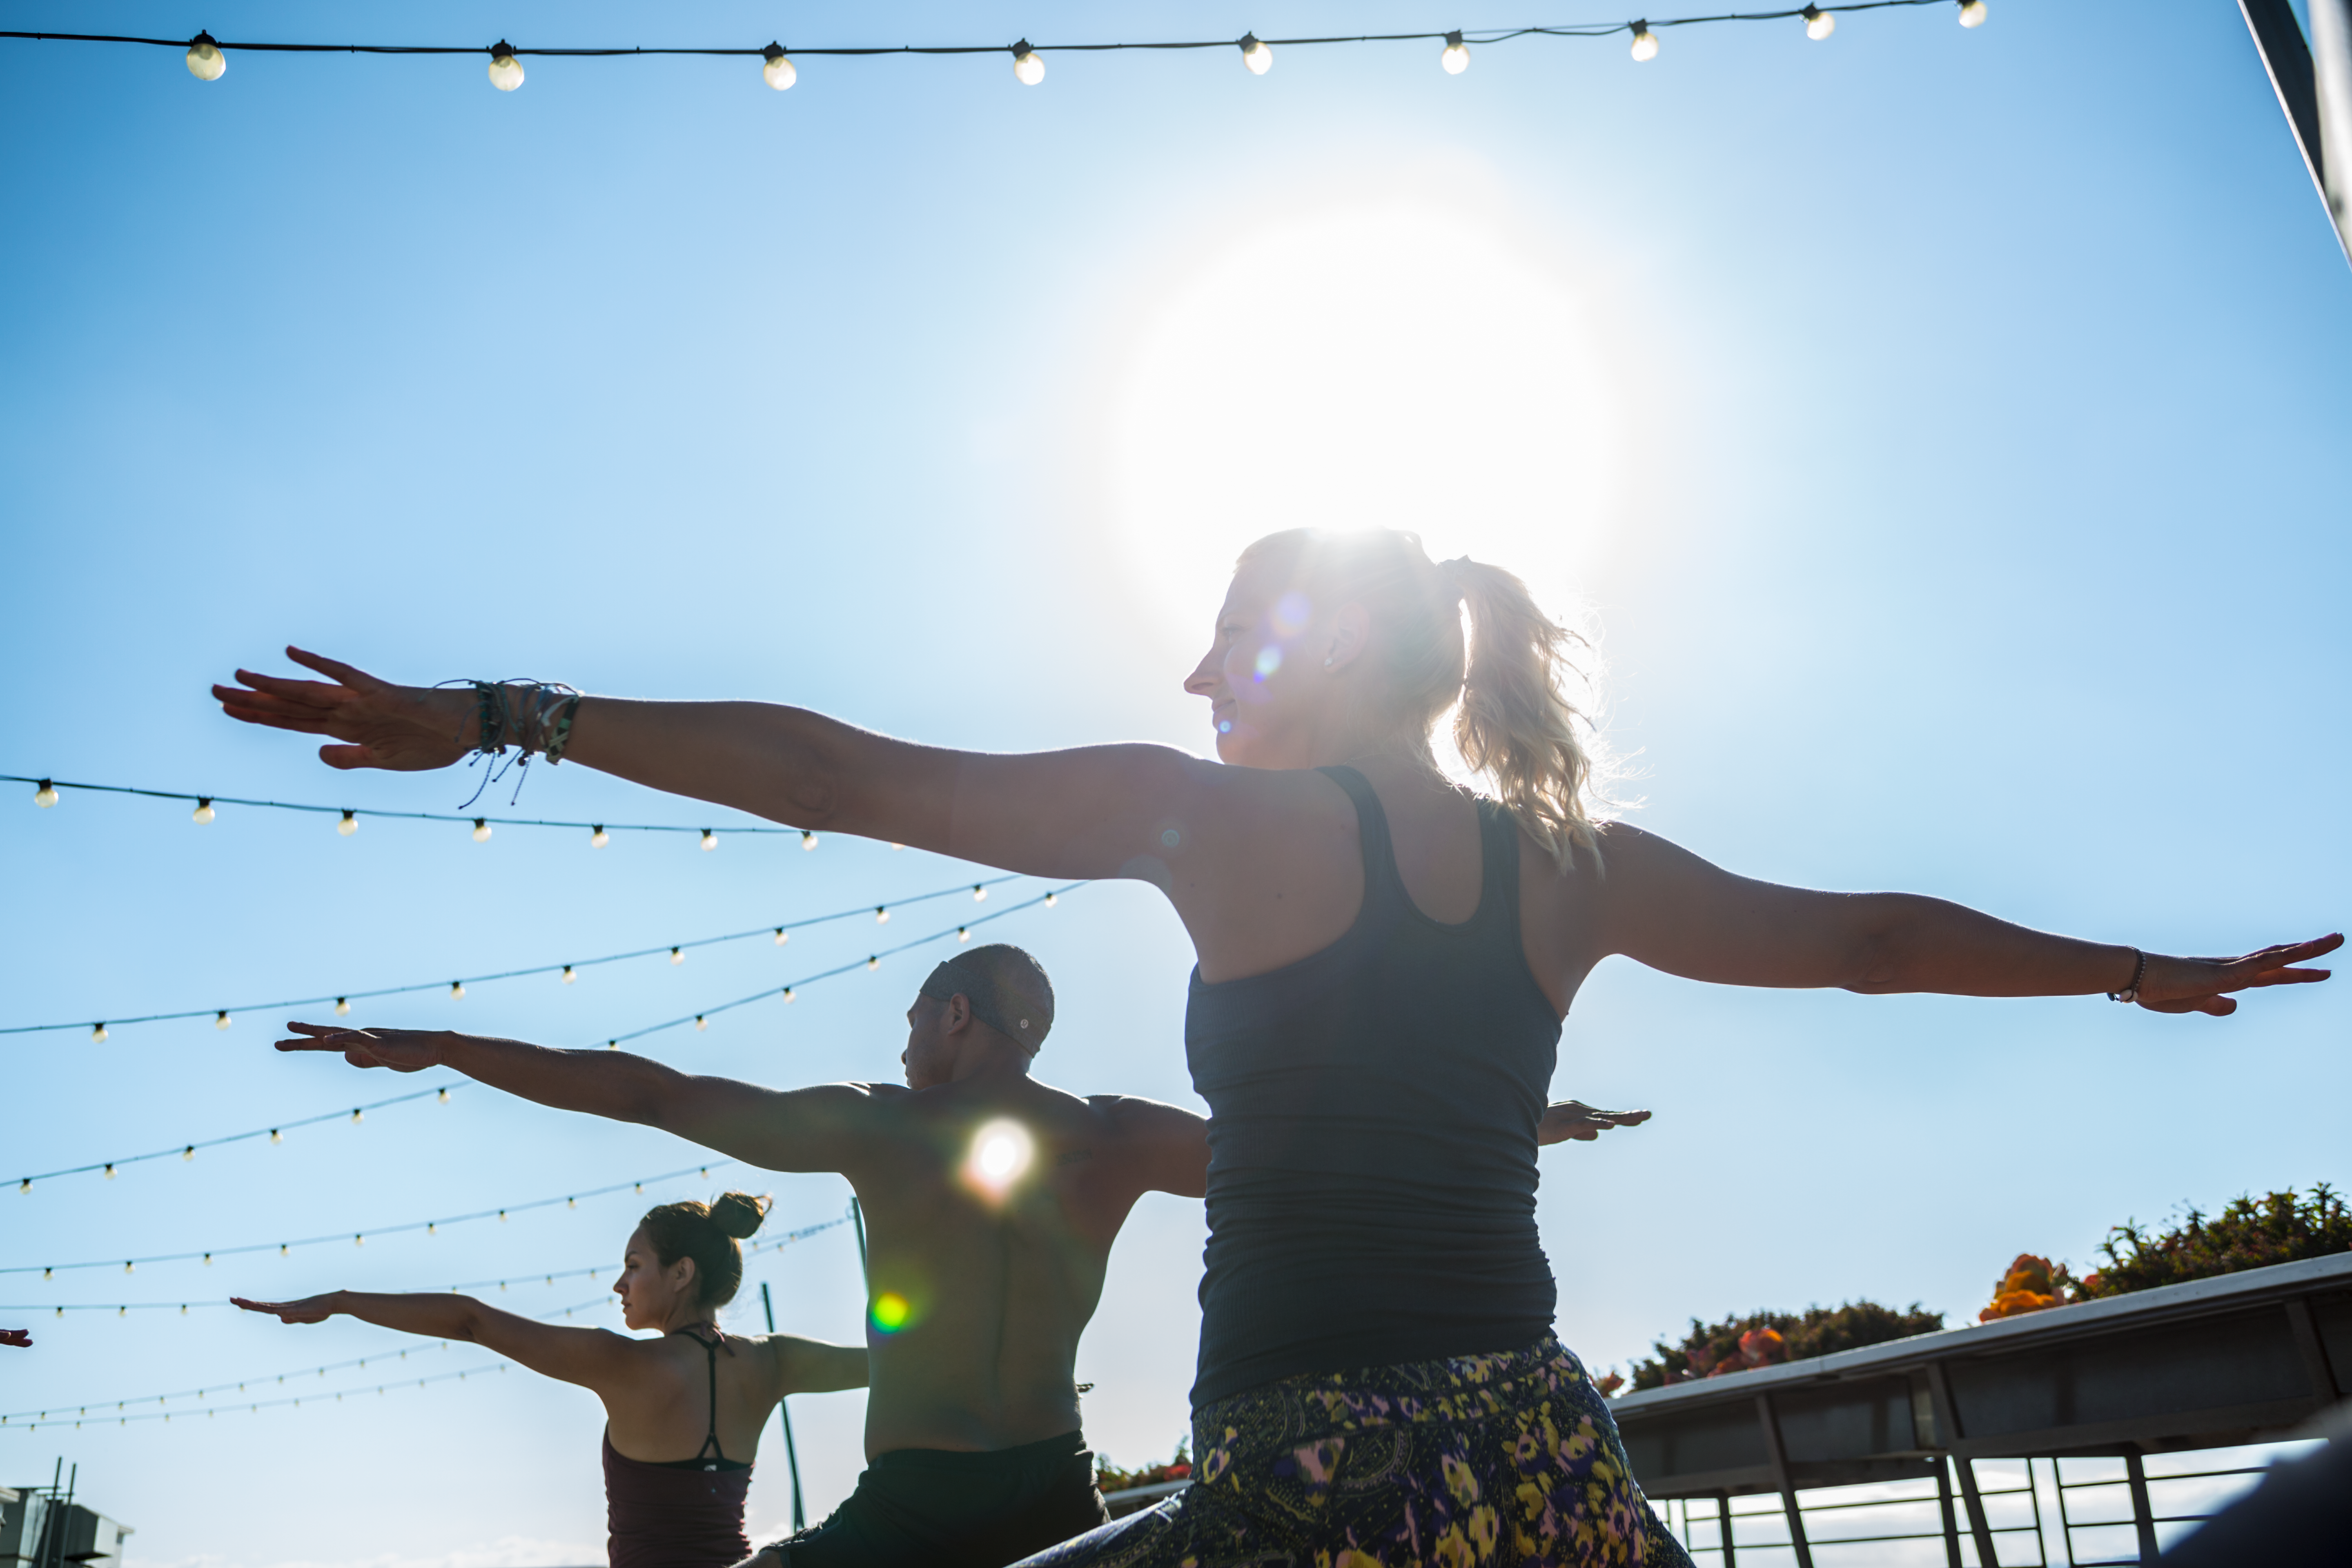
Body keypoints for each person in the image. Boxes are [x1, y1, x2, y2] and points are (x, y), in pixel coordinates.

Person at [216, 526, 2335, 1567]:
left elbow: (835, 770)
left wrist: (508, 715)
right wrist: (2140, 977)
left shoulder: (1219, 827)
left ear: (1324, 659)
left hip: (1301, 1473)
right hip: (1529, 1448)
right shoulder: (1566, 863)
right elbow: (1866, 942)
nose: (1202, 665)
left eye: (1237, 631)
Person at [271, 945, 1647, 1567]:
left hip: (919, 1507)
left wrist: (444, 1046)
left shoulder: (889, 1129)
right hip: (1058, 1491)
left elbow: (648, 1092)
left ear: (963, 1018)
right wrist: (1537, 1120)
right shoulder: (1110, 1138)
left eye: (917, 1015)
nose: (902, 1040)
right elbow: (1315, 1147)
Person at [233, 1192, 866, 1568]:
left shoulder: (620, 1364)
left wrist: (342, 1301)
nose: (620, 1284)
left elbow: (471, 1320)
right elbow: (887, 1361)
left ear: (681, 1274)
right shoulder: (772, 1362)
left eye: (634, 1265)